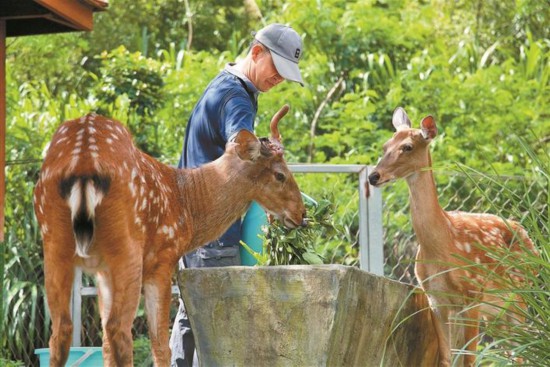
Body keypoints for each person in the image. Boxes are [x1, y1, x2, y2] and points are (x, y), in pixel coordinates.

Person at [170, 23, 304, 367]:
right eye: (278, 69)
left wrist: (264, 146)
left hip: (194, 227)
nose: (280, 79)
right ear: (257, 52)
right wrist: (265, 151)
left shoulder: (225, 84)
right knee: (217, 324)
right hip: (213, 231)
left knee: (193, 315)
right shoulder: (236, 97)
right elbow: (238, 145)